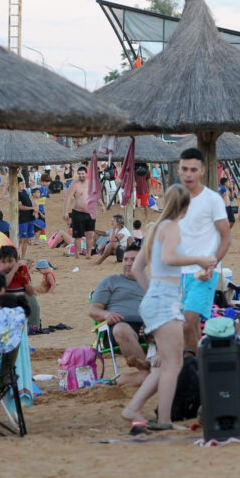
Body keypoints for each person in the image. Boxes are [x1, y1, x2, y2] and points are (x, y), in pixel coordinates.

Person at [123, 185, 217, 428]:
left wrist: (154, 292)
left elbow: (137, 269)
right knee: (173, 365)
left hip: (157, 299)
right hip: (164, 302)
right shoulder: (172, 227)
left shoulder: (155, 229)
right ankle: (163, 419)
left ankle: (134, 407)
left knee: (166, 363)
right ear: (185, 207)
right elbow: (168, 258)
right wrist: (198, 259)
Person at [174, 148, 230, 351]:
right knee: (189, 326)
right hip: (178, 272)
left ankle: (195, 368)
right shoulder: (175, 198)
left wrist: (212, 264)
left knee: (188, 322)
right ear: (178, 170)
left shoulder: (212, 199)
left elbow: (226, 237)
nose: (188, 174)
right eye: (184, 169)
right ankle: (197, 368)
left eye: (193, 169)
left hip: (204, 273)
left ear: (202, 171)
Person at [88, 244, 148, 383]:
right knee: (122, 329)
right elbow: (93, 310)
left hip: (147, 327)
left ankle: (133, 378)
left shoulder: (150, 284)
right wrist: (106, 315)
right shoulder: (110, 282)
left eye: (133, 259)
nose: (128, 263)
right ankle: (147, 371)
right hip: (120, 326)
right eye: (126, 259)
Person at [63, 165, 97, 259]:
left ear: (86, 174)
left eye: (82, 173)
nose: (81, 175)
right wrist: (65, 212)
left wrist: (102, 206)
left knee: (90, 234)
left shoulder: (91, 184)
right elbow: (68, 198)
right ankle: (77, 255)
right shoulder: (75, 184)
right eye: (79, 174)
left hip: (90, 212)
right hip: (78, 212)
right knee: (77, 235)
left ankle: (88, 254)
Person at [17, 176, 37, 259]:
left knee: (26, 240)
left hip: (29, 218)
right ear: (17, 185)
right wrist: (32, 208)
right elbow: (20, 207)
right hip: (23, 219)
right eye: (21, 184)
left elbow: (29, 201)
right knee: (21, 239)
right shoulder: (17, 194)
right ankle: (15, 254)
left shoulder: (24, 191)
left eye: (24, 183)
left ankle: (23, 256)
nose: (23, 185)